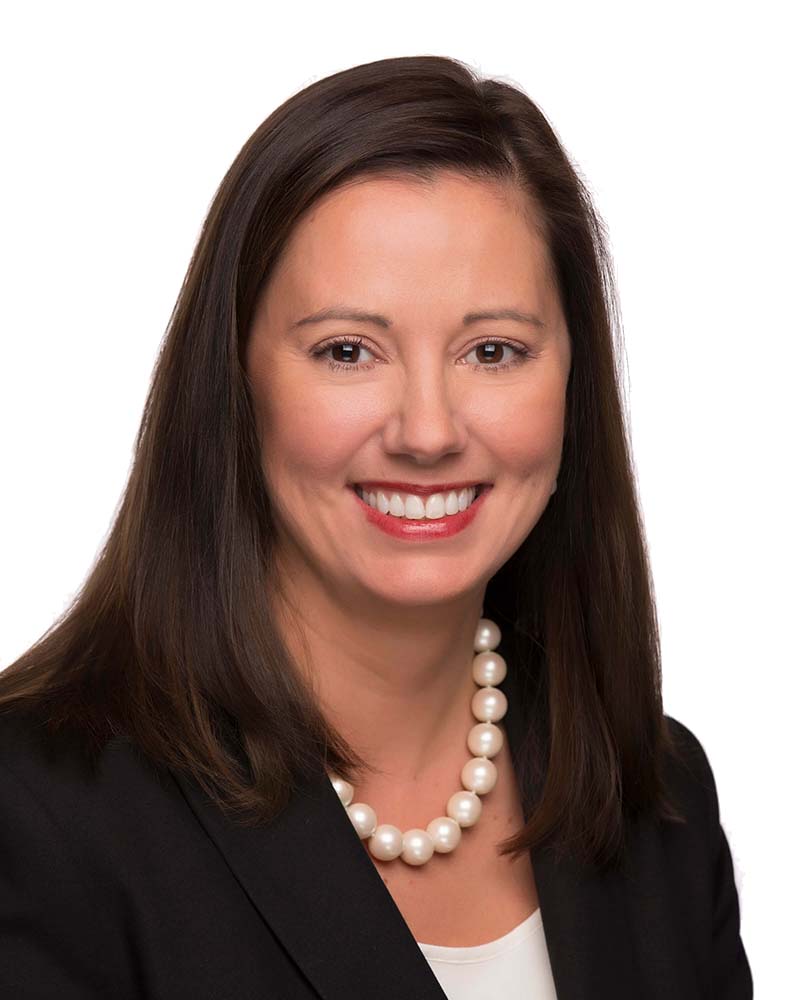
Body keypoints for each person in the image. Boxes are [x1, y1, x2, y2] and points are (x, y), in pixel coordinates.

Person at [0, 54, 752, 999]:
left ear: (573, 386)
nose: (428, 431)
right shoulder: (36, 815)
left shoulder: (660, 797)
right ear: (234, 383)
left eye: (494, 350)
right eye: (348, 351)